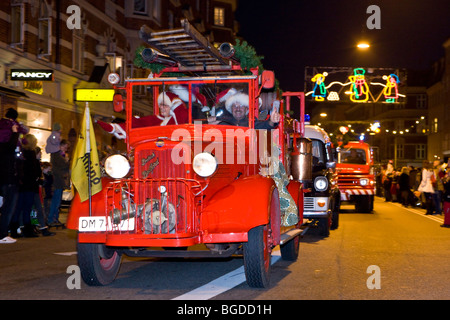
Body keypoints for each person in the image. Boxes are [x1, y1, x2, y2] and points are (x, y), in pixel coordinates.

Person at [97, 91, 188, 139]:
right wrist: (114, 128)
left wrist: (177, 105)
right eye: (160, 105)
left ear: (172, 107)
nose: (162, 108)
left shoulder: (180, 120)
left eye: (165, 105)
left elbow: (182, 117)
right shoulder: (156, 119)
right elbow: (138, 124)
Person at [10, 134, 42, 237]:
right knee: (27, 208)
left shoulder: (21, 153)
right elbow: (35, 171)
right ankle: (27, 229)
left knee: (18, 207)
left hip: (21, 185)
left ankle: (14, 229)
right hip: (30, 185)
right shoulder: (31, 154)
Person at [0, 109, 24, 243]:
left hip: (3, 178)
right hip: (9, 178)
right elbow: (10, 148)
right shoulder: (10, 139)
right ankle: (2, 234)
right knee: (8, 207)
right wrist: (15, 134)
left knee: (4, 206)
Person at [208, 92, 280, 129]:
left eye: (241, 106)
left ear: (246, 109)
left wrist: (271, 121)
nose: (238, 109)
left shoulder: (251, 123)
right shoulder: (223, 121)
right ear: (231, 109)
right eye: (235, 106)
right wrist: (209, 124)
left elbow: (265, 126)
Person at [48, 139, 70, 227]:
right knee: (55, 201)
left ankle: (55, 219)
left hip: (59, 181)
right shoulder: (57, 155)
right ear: (60, 146)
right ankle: (51, 219)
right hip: (57, 180)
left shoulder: (59, 155)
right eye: (64, 147)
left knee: (57, 201)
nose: (65, 149)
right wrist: (67, 160)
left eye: (66, 148)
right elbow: (64, 165)